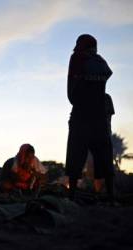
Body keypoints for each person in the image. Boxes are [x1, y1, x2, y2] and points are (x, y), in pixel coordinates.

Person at [65, 34, 114, 202]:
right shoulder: (100, 62)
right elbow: (106, 75)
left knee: (75, 155)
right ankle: (111, 197)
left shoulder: (77, 58)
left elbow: (72, 91)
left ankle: (71, 197)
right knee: (105, 156)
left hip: (81, 116)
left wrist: (77, 98)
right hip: (99, 117)